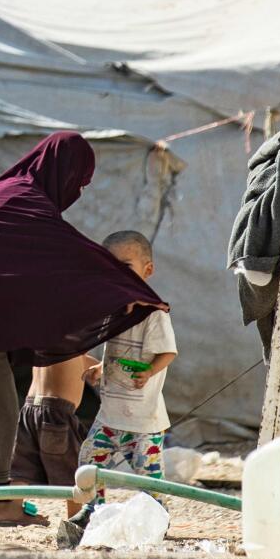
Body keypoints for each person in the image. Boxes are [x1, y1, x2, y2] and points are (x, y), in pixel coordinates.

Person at [0, 132, 167, 526]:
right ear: (61, 170)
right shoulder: (24, 201)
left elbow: (26, 275)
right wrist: (126, 289)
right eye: (78, 180)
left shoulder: (12, 195)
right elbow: (69, 258)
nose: (76, 191)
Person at [65, 230, 177, 539]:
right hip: (110, 415)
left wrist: (149, 372)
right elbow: (116, 350)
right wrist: (102, 367)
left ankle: (159, 519)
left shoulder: (153, 313)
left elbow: (168, 352)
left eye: (125, 266)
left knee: (148, 478)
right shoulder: (114, 311)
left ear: (147, 270)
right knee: (89, 461)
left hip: (143, 420)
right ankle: (95, 512)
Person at [9, 356, 90, 519]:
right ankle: (75, 517)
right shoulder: (74, 336)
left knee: (22, 468)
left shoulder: (48, 337)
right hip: (57, 411)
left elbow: (81, 359)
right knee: (71, 472)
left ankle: (13, 507)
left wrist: (100, 367)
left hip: (30, 408)